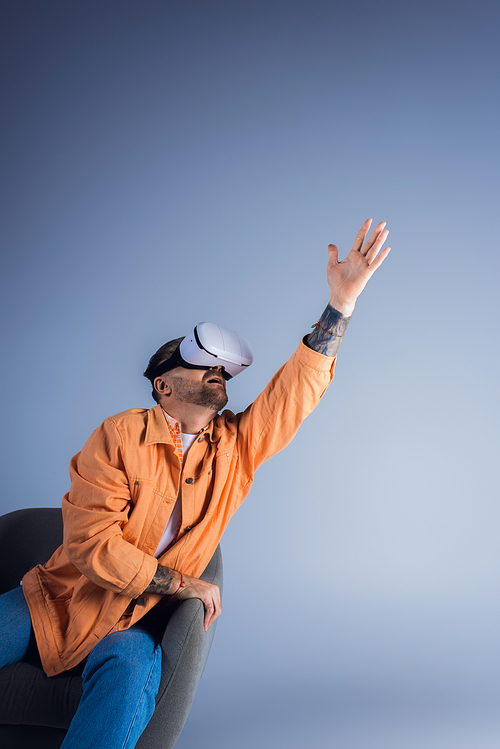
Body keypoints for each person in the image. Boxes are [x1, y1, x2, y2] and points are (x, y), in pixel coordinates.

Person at [0, 219, 391, 748]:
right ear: (163, 385)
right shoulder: (118, 435)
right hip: (55, 599)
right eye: (201, 364)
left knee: (131, 675)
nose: (219, 375)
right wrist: (183, 584)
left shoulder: (238, 447)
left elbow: (295, 391)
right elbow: (93, 544)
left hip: (131, 624)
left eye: (225, 373)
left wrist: (340, 303)